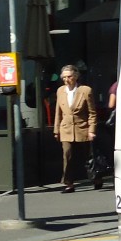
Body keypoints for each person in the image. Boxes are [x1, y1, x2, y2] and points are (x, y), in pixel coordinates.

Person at [52, 63, 98, 193]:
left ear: (76, 76)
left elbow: (92, 113)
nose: (67, 80)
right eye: (64, 77)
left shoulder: (85, 90)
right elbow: (58, 112)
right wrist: (56, 131)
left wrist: (92, 130)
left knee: (88, 157)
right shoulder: (60, 91)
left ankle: (96, 178)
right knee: (67, 156)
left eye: (69, 76)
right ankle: (69, 184)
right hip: (66, 129)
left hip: (82, 128)